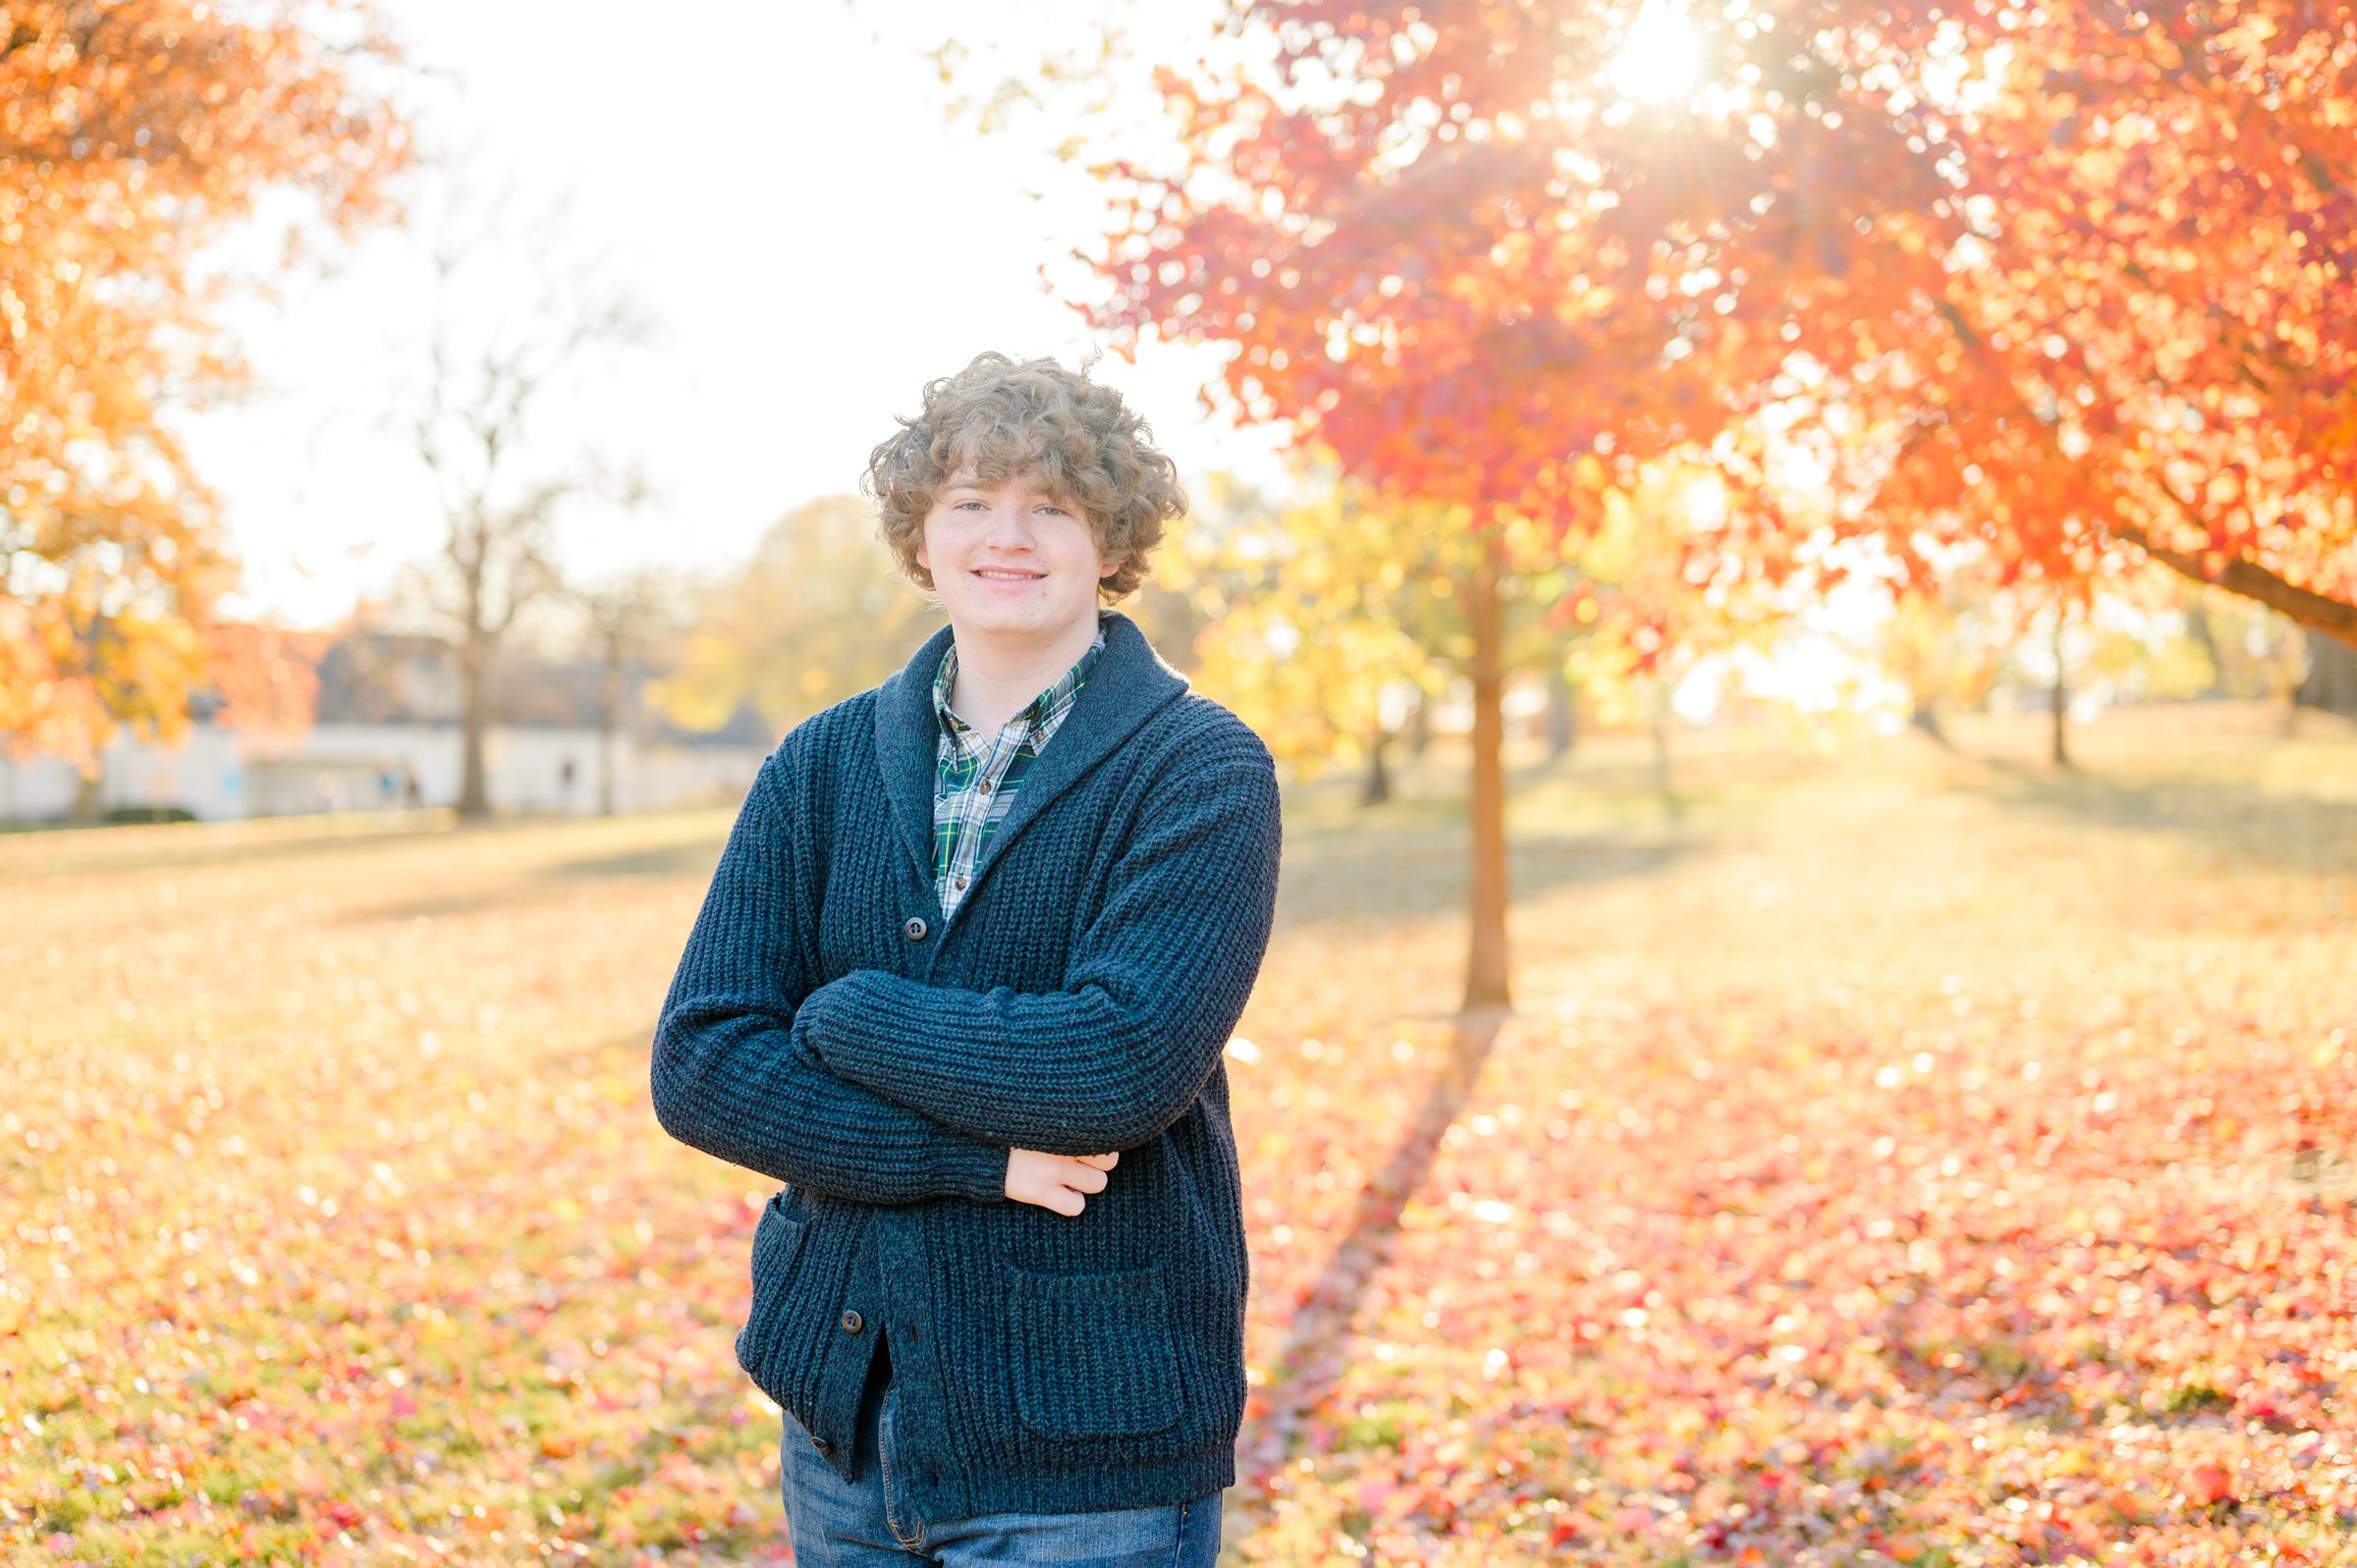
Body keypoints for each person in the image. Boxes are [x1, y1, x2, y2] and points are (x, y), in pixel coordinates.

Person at [649, 351, 1283, 1565]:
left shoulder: (1200, 767)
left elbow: (1118, 1064)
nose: (1011, 535)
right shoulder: (819, 764)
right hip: (846, 1418)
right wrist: (982, 1158)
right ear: (922, 536)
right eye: (973, 502)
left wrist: (846, 1014)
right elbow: (703, 1062)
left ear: (1112, 539)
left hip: (1090, 1444)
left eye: (1054, 504)